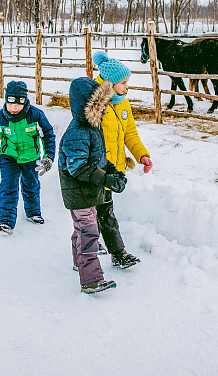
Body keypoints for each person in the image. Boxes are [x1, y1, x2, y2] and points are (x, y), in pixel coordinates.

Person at [58, 77, 126, 294]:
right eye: (101, 104)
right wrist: (105, 179)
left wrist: (113, 171)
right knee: (88, 232)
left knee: (83, 230)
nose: (106, 107)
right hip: (78, 192)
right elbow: (78, 167)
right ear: (89, 106)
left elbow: (97, 158)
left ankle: (80, 261)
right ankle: (91, 279)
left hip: (86, 191)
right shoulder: (77, 132)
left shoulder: (91, 126)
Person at [91, 51, 152, 269]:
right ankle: (87, 252)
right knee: (91, 213)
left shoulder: (123, 104)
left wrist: (142, 155)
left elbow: (130, 134)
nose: (127, 87)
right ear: (111, 82)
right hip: (95, 170)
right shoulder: (95, 104)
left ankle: (116, 253)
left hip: (114, 170)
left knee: (105, 210)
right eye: (124, 83)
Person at [0, 81, 56, 235]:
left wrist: (49, 157)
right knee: (8, 188)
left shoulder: (35, 115)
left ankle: (33, 212)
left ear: (24, 102)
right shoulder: (1, 117)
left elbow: (47, 135)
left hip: (31, 158)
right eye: (10, 103)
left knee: (31, 185)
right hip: (9, 158)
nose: (13, 108)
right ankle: (6, 221)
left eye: (18, 104)